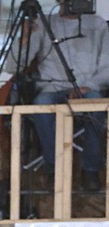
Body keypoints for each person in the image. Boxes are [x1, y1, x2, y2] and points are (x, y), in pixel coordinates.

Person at [22, 8, 109, 190]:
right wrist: (25, 38)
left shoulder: (98, 24)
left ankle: (91, 170)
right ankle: (55, 168)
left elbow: (107, 66)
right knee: (41, 104)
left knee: (96, 102)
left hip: (87, 88)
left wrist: (89, 85)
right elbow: (15, 65)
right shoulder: (44, 24)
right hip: (52, 88)